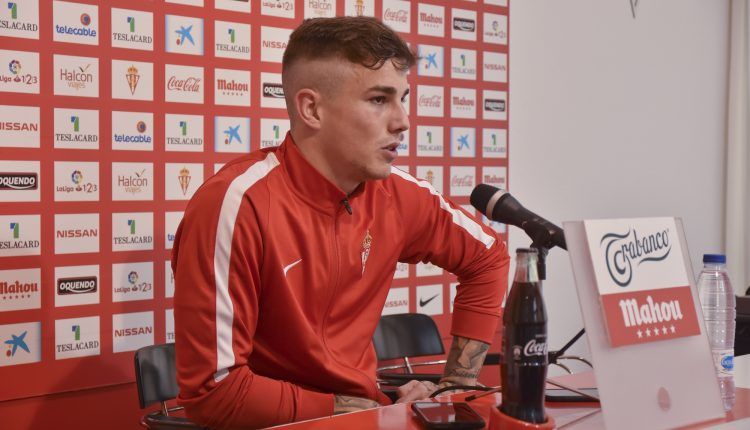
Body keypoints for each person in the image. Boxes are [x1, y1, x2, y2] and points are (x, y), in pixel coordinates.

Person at [172, 16, 510, 429]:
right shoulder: (236, 204)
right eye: (379, 99)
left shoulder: (398, 194)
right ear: (311, 108)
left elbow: (489, 258)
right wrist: (359, 411)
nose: (403, 121)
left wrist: (454, 385)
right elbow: (214, 392)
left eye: (403, 97)